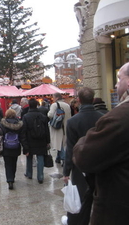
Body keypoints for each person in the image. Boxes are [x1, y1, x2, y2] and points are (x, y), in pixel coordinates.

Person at [73, 62, 129, 225]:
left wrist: (82, 141)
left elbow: (85, 157)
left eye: (119, 78)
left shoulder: (121, 116)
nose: (116, 84)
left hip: (119, 208)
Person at [63, 87, 103, 225]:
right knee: (99, 199)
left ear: (78, 100)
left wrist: (66, 171)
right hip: (100, 165)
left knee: (81, 200)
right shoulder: (103, 118)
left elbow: (70, 148)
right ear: (93, 100)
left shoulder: (73, 121)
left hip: (80, 166)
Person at [22, 98, 50, 184]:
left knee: (29, 157)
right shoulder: (43, 116)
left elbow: (24, 131)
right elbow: (47, 130)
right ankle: (40, 176)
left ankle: (29, 173)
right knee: (40, 157)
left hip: (30, 140)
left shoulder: (26, 117)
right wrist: (48, 141)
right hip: (41, 140)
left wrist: (24, 144)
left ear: (29, 105)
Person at [0, 109, 24, 190]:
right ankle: (13, 177)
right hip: (16, 146)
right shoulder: (19, 124)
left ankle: (9, 180)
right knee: (14, 163)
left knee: (7, 164)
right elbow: (22, 136)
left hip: (6, 146)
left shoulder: (3, 124)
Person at [48, 92, 71, 166]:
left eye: (53, 97)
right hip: (66, 126)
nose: (53, 99)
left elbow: (50, 115)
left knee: (59, 143)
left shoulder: (54, 105)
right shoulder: (67, 105)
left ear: (57, 98)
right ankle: (58, 158)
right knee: (61, 142)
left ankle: (63, 158)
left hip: (57, 126)